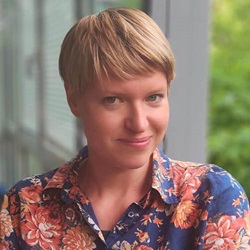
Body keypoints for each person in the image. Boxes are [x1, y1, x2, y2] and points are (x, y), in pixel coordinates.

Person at [0, 7, 249, 250]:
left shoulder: (211, 197)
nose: (139, 123)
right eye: (113, 100)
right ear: (73, 100)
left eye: (154, 97)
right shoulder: (24, 207)